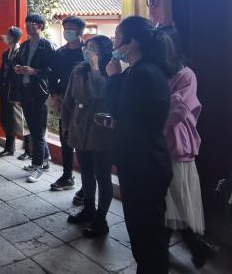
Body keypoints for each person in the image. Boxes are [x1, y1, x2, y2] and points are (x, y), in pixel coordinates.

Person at [106, 16, 173, 274]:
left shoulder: (144, 73)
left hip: (144, 164)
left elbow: (120, 111)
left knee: (147, 236)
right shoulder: (137, 71)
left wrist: (113, 79)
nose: (114, 43)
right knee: (142, 233)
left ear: (131, 42)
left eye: (117, 37)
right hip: (139, 160)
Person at [158, 26, 214, 268]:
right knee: (171, 200)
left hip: (177, 144)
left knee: (175, 200)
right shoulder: (156, 72)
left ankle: (193, 247)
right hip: (161, 143)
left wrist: (150, 115)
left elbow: (178, 111)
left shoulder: (186, 75)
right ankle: (196, 248)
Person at [61, 35, 114, 237]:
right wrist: (66, 123)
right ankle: (88, 209)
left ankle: (101, 219)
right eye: (87, 47)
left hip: (99, 129)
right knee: (86, 172)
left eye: (94, 48)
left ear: (104, 52)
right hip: (79, 125)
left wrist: (95, 68)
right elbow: (69, 98)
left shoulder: (110, 70)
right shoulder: (78, 69)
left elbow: (99, 93)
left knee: (102, 175)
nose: (88, 51)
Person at [12, 14, 55, 182]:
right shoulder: (24, 45)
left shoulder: (47, 45)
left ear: (40, 26)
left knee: (38, 131)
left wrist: (35, 71)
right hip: (26, 91)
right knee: (34, 129)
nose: (28, 26)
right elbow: (16, 62)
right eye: (27, 23)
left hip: (40, 92)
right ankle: (44, 161)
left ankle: (38, 166)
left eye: (31, 23)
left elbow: (52, 70)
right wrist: (18, 68)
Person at [50, 16, 87, 197]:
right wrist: (56, 93)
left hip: (84, 104)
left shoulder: (87, 52)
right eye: (65, 28)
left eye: (71, 28)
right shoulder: (60, 53)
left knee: (83, 144)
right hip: (64, 102)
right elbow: (52, 75)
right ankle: (67, 176)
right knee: (65, 140)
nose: (67, 32)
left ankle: (87, 187)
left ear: (80, 31)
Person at [0, 26, 26, 157]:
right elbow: (2, 70)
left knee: (20, 120)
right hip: (5, 89)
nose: (5, 37)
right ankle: (9, 148)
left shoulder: (22, 52)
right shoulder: (6, 53)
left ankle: (29, 150)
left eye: (8, 35)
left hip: (16, 90)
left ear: (13, 37)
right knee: (7, 119)